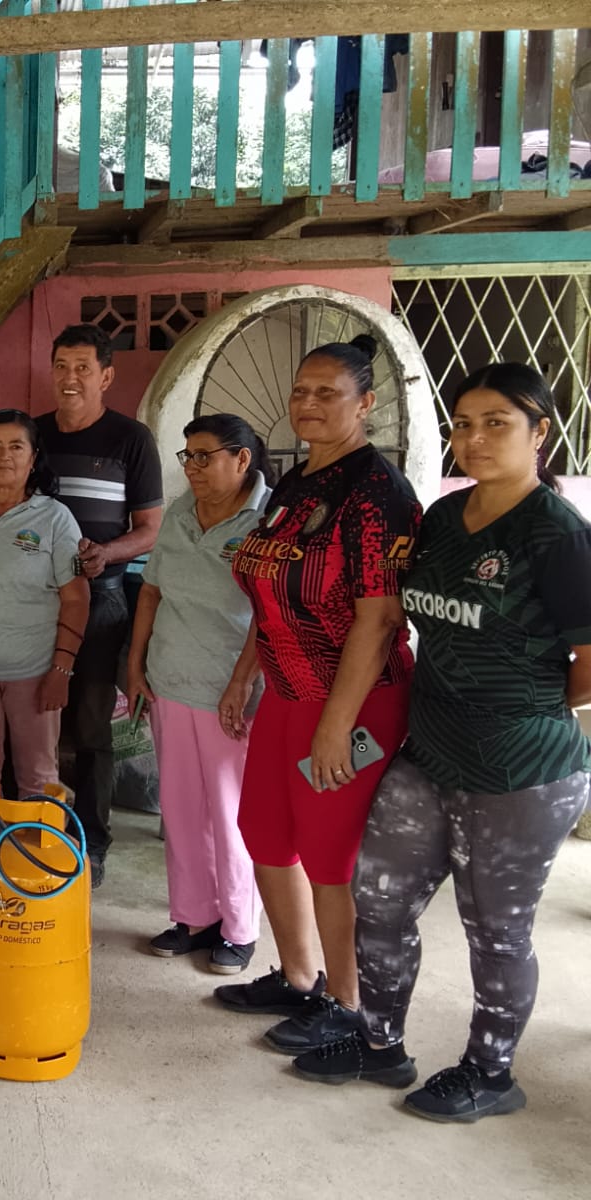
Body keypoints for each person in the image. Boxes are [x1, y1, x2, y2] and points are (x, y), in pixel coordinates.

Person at [292, 363, 591, 1123]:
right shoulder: (444, 517)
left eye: (498, 423)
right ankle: (379, 1043)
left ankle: (490, 1075)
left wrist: (518, 706)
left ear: (539, 432)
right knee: (380, 899)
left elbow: (589, 666)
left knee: (496, 930)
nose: (476, 438)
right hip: (429, 750)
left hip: (518, 771)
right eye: (464, 423)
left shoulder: (558, 535)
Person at [215, 334, 420, 1055]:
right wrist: (245, 673)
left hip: (353, 701)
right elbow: (271, 590)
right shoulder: (299, 482)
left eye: (327, 393)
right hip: (286, 690)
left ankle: (349, 1001)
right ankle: (301, 977)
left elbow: (379, 618)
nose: (308, 403)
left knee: (332, 858)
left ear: (365, 404)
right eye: (301, 391)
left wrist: (336, 725)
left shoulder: (378, 494)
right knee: (265, 833)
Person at [126, 415, 272, 976]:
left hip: (228, 693)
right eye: (188, 456)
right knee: (182, 810)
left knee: (230, 814)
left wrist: (241, 681)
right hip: (170, 681)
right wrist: (136, 665)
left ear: (242, 459)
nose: (192, 467)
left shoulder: (268, 518)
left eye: (204, 456)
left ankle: (238, 928)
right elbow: (151, 592)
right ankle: (194, 917)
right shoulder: (181, 512)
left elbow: (268, 613)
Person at [33, 324, 163, 886]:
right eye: (62, 366)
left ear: (106, 377)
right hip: (34, 603)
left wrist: (106, 553)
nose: (70, 378)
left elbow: (150, 528)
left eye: (83, 368)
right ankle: (30, 829)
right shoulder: (32, 435)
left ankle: (91, 841)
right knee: (32, 722)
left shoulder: (131, 440)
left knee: (90, 727)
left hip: (102, 600)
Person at [0, 409, 90, 800]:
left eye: (16, 446)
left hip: (34, 673)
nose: (4, 455)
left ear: (33, 457)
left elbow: (76, 599)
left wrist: (61, 670)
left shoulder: (56, 519)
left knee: (39, 777)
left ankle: (36, 842)